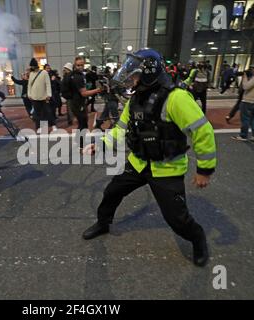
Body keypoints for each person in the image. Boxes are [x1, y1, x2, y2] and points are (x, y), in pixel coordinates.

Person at [82, 48, 217, 267]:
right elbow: (120, 129)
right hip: (138, 162)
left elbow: (203, 131)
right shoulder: (136, 99)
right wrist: (100, 145)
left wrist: (204, 170)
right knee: (111, 192)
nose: (130, 79)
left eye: (134, 74)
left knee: (177, 219)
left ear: (148, 74)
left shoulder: (177, 98)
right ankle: (103, 223)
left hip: (166, 169)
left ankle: (198, 239)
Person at [69, 56, 104, 149]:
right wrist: (97, 90)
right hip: (77, 103)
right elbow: (84, 93)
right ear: (75, 65)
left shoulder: (77, 75)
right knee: (83, 123)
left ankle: (78, 141)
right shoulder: (77, 77)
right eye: (78, 65)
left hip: (76, 103)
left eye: (81, 65)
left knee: (82, 123)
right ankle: (81, 144)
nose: (80, 67)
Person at [27, 58, 57, 133]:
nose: (32, 68)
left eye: (32, 66)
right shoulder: (31, 74)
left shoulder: (44, 72)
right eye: (31, 66)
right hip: (34, 97)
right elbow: (29, 85)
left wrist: (49, 94)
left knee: (48, 112)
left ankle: (53, 125)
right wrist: (29, 94)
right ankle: (38, 127)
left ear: (35, 66)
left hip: (44, 97)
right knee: (37, 113)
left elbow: (48, 84)